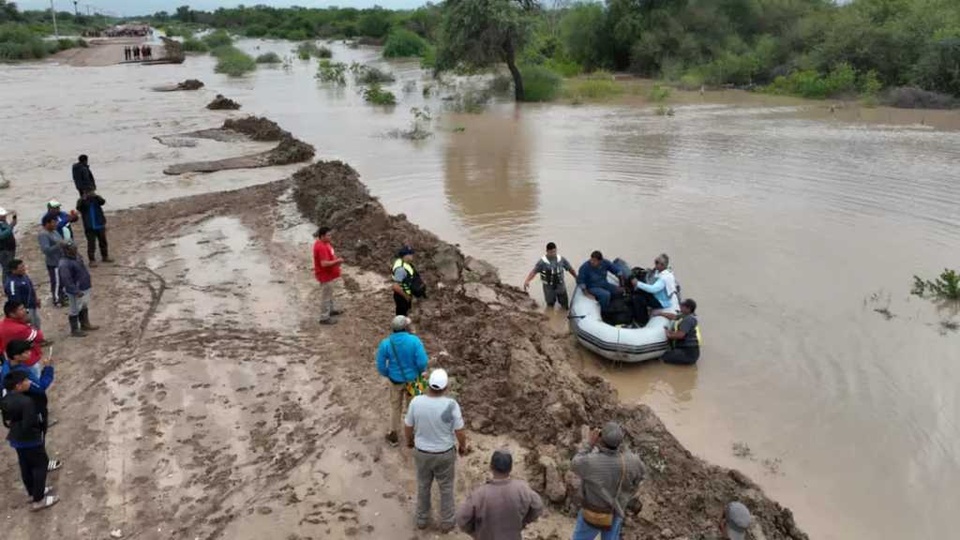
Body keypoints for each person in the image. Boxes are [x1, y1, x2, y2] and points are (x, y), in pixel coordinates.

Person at [404, 368, 467, 532]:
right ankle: (447, 522)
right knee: (446, 487)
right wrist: (462, 447)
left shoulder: (416, 402)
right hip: (444, 454)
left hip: (422, 453)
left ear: (428, 385)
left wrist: (410, 441)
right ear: (446, 387)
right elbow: (459, 431)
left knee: (423, 485)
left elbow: (408, 426)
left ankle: (422, 519)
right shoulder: (451, 405)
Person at [571, 421, 647, 540]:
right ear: (620, 441)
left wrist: (590, 443)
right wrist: (627, 494)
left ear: (600, 439)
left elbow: (575, 463)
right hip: (615, 512)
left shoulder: (591, 462)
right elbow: (640, 478)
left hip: (592, 512)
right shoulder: (633, 461)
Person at [0, 370, 59, 511]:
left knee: (25, 466)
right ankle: (39, 499)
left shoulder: (6, 399)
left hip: (16, 439)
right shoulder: (27, 402)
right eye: (26, 381)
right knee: (40, 465)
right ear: (18, 386)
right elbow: (30, 423)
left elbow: (7, 422)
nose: (29, 382)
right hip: (30, 439)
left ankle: (32, 492)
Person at [456, 449, 544, 540]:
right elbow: (538, 507)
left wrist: (475, 532)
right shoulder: (522, 489)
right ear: (510, 468)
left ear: (491, 467)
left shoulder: (479, 494)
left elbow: (461, 519)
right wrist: (523, 521)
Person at [376, 315, 428, 446]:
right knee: (414, 407)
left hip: (395, 381)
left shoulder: (386, 343)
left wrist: (389, 373)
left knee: (395, 407)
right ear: (405, 327)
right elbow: (422, 362)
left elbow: (381, 366)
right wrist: (419, 371)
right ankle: (414, 435)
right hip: (414, 380)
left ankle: (393, 435)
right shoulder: (414, 341)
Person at [58, 243, 98, 337]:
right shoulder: (64, 264)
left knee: (83, 305)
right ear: (67, 250)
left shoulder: (76, 256)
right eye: (73, 249)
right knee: (75, 309)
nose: (76, 250)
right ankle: (75, 329)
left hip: (84, 286)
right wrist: (75, 291)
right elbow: (67, 280)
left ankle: (85, 324)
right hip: (76, 290)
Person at [523, 242, 577, 309]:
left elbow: (570, 269)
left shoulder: (561, 259)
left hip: (560, 285)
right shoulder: (542, 262)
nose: (553, 254)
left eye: (554, 251)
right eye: (551, 252)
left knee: (565, 305)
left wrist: (576, 277)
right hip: (548, 287)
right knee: (550, 305)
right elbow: (534, 272)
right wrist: (527, 281)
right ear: (547, 251)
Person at [0, 301, 44, 377]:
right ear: (12, 314)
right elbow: (39, 337)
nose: (25, 311)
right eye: (21, 309)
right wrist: (29, 325)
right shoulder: (20, 329)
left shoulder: (3, 325)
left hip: (13, 362)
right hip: (29, 362)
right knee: (36, 384)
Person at [312, 227, 343, 325]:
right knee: (326, 296)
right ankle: (324, 317)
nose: (330, 237)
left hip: (329, 274)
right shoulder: (321, 247)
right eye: (328, 235)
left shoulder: (325, 243)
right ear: (322, 236)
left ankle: (330, 310)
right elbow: (324, 264)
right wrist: (337, 261)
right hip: (324, 275)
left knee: (329, 293)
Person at [38, 215, 67, 307]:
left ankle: (62, 296)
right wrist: (59, 245)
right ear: (47, 223)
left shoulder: (54, 231)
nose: (56, 224)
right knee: (56, 282)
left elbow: (61, 241)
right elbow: (46, 250)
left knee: (62, 280)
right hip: (53, 262)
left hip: (61, 260)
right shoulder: (43, 234)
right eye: (54, 222)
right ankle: (57, 300)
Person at [661, 299, 701, 365]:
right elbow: (674, 317)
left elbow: (680, 335)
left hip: (687, 352)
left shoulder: (687, 320)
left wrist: (668, 333)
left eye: (682, 306)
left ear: (688, 309)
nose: (680, 306)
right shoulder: (686, 316)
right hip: (691, 352)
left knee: (663, 358)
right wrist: (661, 313)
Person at [76, 190, 111, 265]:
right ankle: (92, 260)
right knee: (91, 244)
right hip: (89, 226)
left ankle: (105, 256)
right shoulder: (82, 201)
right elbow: (78, 208)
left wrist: (96, 196)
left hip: (100, 224)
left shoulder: (96, 199)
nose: (89, 193)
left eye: (90, 192)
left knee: (103, 241)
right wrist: (83, 199)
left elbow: (103, 202)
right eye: (88, 192)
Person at [5, 260, 41, 331]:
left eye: (23, 266)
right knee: (29, 327)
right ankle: (33, 341)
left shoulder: (24, 275)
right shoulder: (11, 283)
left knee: (37, 322)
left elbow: (31, 287)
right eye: (21, 267)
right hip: (25, 309)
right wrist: (22, 312)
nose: (24, 268)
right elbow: (14, 301)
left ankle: (39, 339)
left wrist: (36, 299)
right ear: (13, 270)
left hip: (32, 305)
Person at [392, 246, 419, 316]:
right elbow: (395, 286)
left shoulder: (407, 265)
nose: (412, 255)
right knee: (401, 316)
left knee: (405, 315)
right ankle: (399, 327)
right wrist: (406, 296)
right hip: (401, 297)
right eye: (410, 254)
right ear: (405, 255)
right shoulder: (400, 269)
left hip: (406, 295)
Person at [0, 208, 17, 284]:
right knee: (6, 269)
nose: (5, 216)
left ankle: (10, 283)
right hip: (4, 251)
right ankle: (7, 286)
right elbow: (1, 236)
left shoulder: (3, 222)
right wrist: (12, 225)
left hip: (10, 249)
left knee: (10, 268)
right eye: (3, 215)